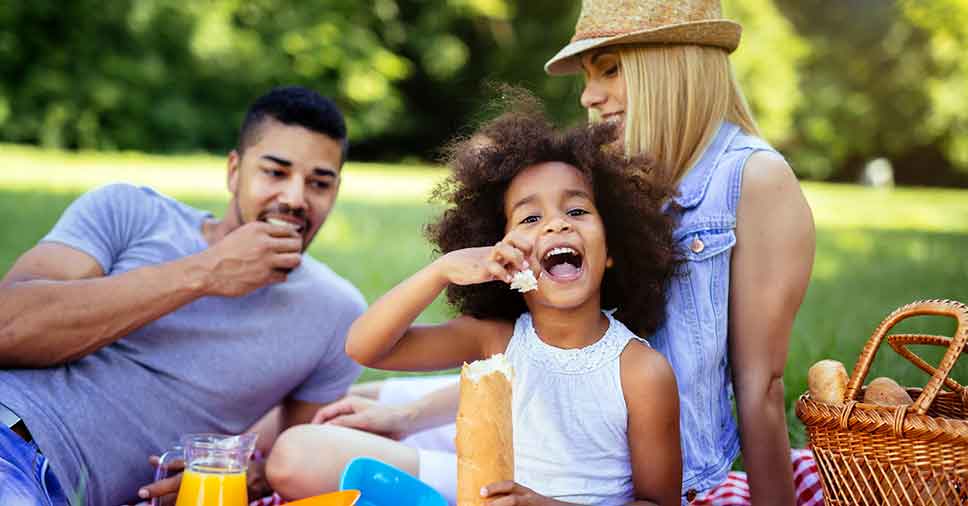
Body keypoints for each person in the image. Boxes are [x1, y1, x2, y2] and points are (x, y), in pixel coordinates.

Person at [309, 0, 820, 504]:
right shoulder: (620, 167)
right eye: (531, 218)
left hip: (623, 456)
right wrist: (409, 414)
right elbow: (543, 362)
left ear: (674, 63)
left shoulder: (753, 180)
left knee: (302, 454)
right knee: (345, 405)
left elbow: (761, 389)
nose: (588, 98)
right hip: (538, 422)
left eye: (610, 70)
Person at [266, 104, 684, 505]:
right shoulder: (496, 340)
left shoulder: (641, 371)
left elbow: (657, 502)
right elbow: (365, 347)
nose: (558, 223)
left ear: (613, 247)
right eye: (530, 219)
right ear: (502, 249)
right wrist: (442, 271)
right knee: (304, 447)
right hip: (479, 487)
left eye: (576, 210)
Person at [0, 86, 366, 506]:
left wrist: (255, 475)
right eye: (275, 172)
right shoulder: (130, 212)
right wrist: (206, 272)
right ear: (234, 171)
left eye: (319, 183)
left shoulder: (337, 315)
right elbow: (6, 329)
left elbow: (293, 454)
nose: (295, 199)